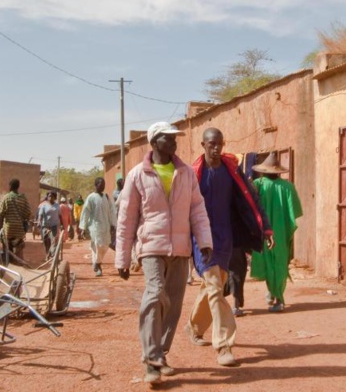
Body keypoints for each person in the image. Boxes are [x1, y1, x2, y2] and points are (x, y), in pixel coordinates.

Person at [116, 121, 214, 385]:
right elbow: (127, 218)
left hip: (180, 249)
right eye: (168, 138)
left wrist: (205, 242)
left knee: (173, 303)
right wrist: (123, 258)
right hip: (151, 248)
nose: (174, 142)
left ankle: (160, 353)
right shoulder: (138, 174)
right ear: (154, 141)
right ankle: (151, 359)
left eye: (175, 138)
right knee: (154, 293)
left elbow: (197, 210)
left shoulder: (185, 173)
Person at [186, 128, 273, 366]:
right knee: (215, 287)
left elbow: (251, 199)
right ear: (203, 145)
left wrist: (264, 228)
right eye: (211, 144)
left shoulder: (232, 171)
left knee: (212, 287)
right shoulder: (192, 174)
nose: (216, 149)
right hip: (202, 239)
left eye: (219, 144)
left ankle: (193, 327)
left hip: (226, 237)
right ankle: (224, 345)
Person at [250, 152, 303, 313]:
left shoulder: (258, 184)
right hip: (280, 231)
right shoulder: (287, 186)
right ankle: (276, 294)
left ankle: (277, 297)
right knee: (279, 264)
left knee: (267, 262)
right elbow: (294, 211)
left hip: (263, 231)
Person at [79, 178, 116, 277]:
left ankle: (97, 262)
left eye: (104, 184)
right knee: (97, 245)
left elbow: (112, 211)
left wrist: (113, 224)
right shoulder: (91, 197)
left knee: (105, 246)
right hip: (95, 227)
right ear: (95, 185)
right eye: (101, 184)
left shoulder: (107, 197)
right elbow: (85, 212)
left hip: (106, 226)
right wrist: (83, 227)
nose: (103, 186)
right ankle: (97, 265)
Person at [0, 179, 31, 255]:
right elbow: (28, 213)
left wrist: (1, 227)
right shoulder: (23, 198)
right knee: (18, 247)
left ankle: (9, 261)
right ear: (18, 187)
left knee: (7, 247)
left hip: (8, 228)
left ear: (10, 186)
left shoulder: (6, 197)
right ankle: (17, 261)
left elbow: (1, 213)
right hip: (19, 228)